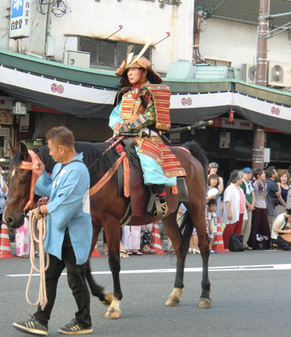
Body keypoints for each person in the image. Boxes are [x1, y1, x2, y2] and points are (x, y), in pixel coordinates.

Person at [13, 126, 93, 336]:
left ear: (61, 148)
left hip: (73, 236)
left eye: (50, 149)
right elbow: (51, 190)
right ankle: (40, 320)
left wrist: (41, 210)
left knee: (75, 281)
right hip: (59, 234)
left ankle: (84, 321)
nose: (48, 153)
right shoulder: (60, 168)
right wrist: (41, 174)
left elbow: (65, 204)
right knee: (48, 277)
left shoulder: (78, 171)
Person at [108, 52, 187, 217]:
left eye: (134, 70)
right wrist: (116, 124)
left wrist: (129, 125)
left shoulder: (153, 92)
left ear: (143, 72)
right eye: (127, 71)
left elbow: (151, 115)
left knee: (149, 161)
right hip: (123, 135)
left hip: (146, 136)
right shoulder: (126, 95)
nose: (129, 73)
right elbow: (115, 115)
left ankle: (160, 197)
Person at [222, 170, 247, 250]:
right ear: (237, 179)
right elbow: (227, 201)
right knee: (230, 229)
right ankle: (225, 246)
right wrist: (229, 212)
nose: (242, 180)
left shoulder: (240, 189)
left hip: (241, 211)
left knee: (238, 230)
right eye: (241, 179)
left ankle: (235, 246)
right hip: (233, 211)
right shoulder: (230, 189)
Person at [249, 169, 270, 250]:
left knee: (265, 225)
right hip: (257, 206)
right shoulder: (255, 184)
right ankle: (254, 243)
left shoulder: (265, 184)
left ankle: (265, 243)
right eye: (263, 173)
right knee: (255, 225)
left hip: (264, 206)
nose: (264, 175)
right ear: (258, 175)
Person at [240, 167, 255, 249]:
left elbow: (253, 195)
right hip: (243, 207)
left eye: (249, 173)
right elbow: (243, 196)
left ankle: (245, 243)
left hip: (250, 208)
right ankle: (240, 243)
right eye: (246, 173)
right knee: (243, 225)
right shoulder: (241, 183)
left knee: (248, 226)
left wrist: (252, 205)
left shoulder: (251, 183)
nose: (248, 175)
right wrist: (249, 205)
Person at [265, 166, 282, 231]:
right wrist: (279, 185)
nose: (277, 173)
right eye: (275, 172)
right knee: (271, 223)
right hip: (270, 206)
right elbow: (278, 194)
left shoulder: (267, 182)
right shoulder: (272, 183)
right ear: (272, 175)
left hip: (268, 205)